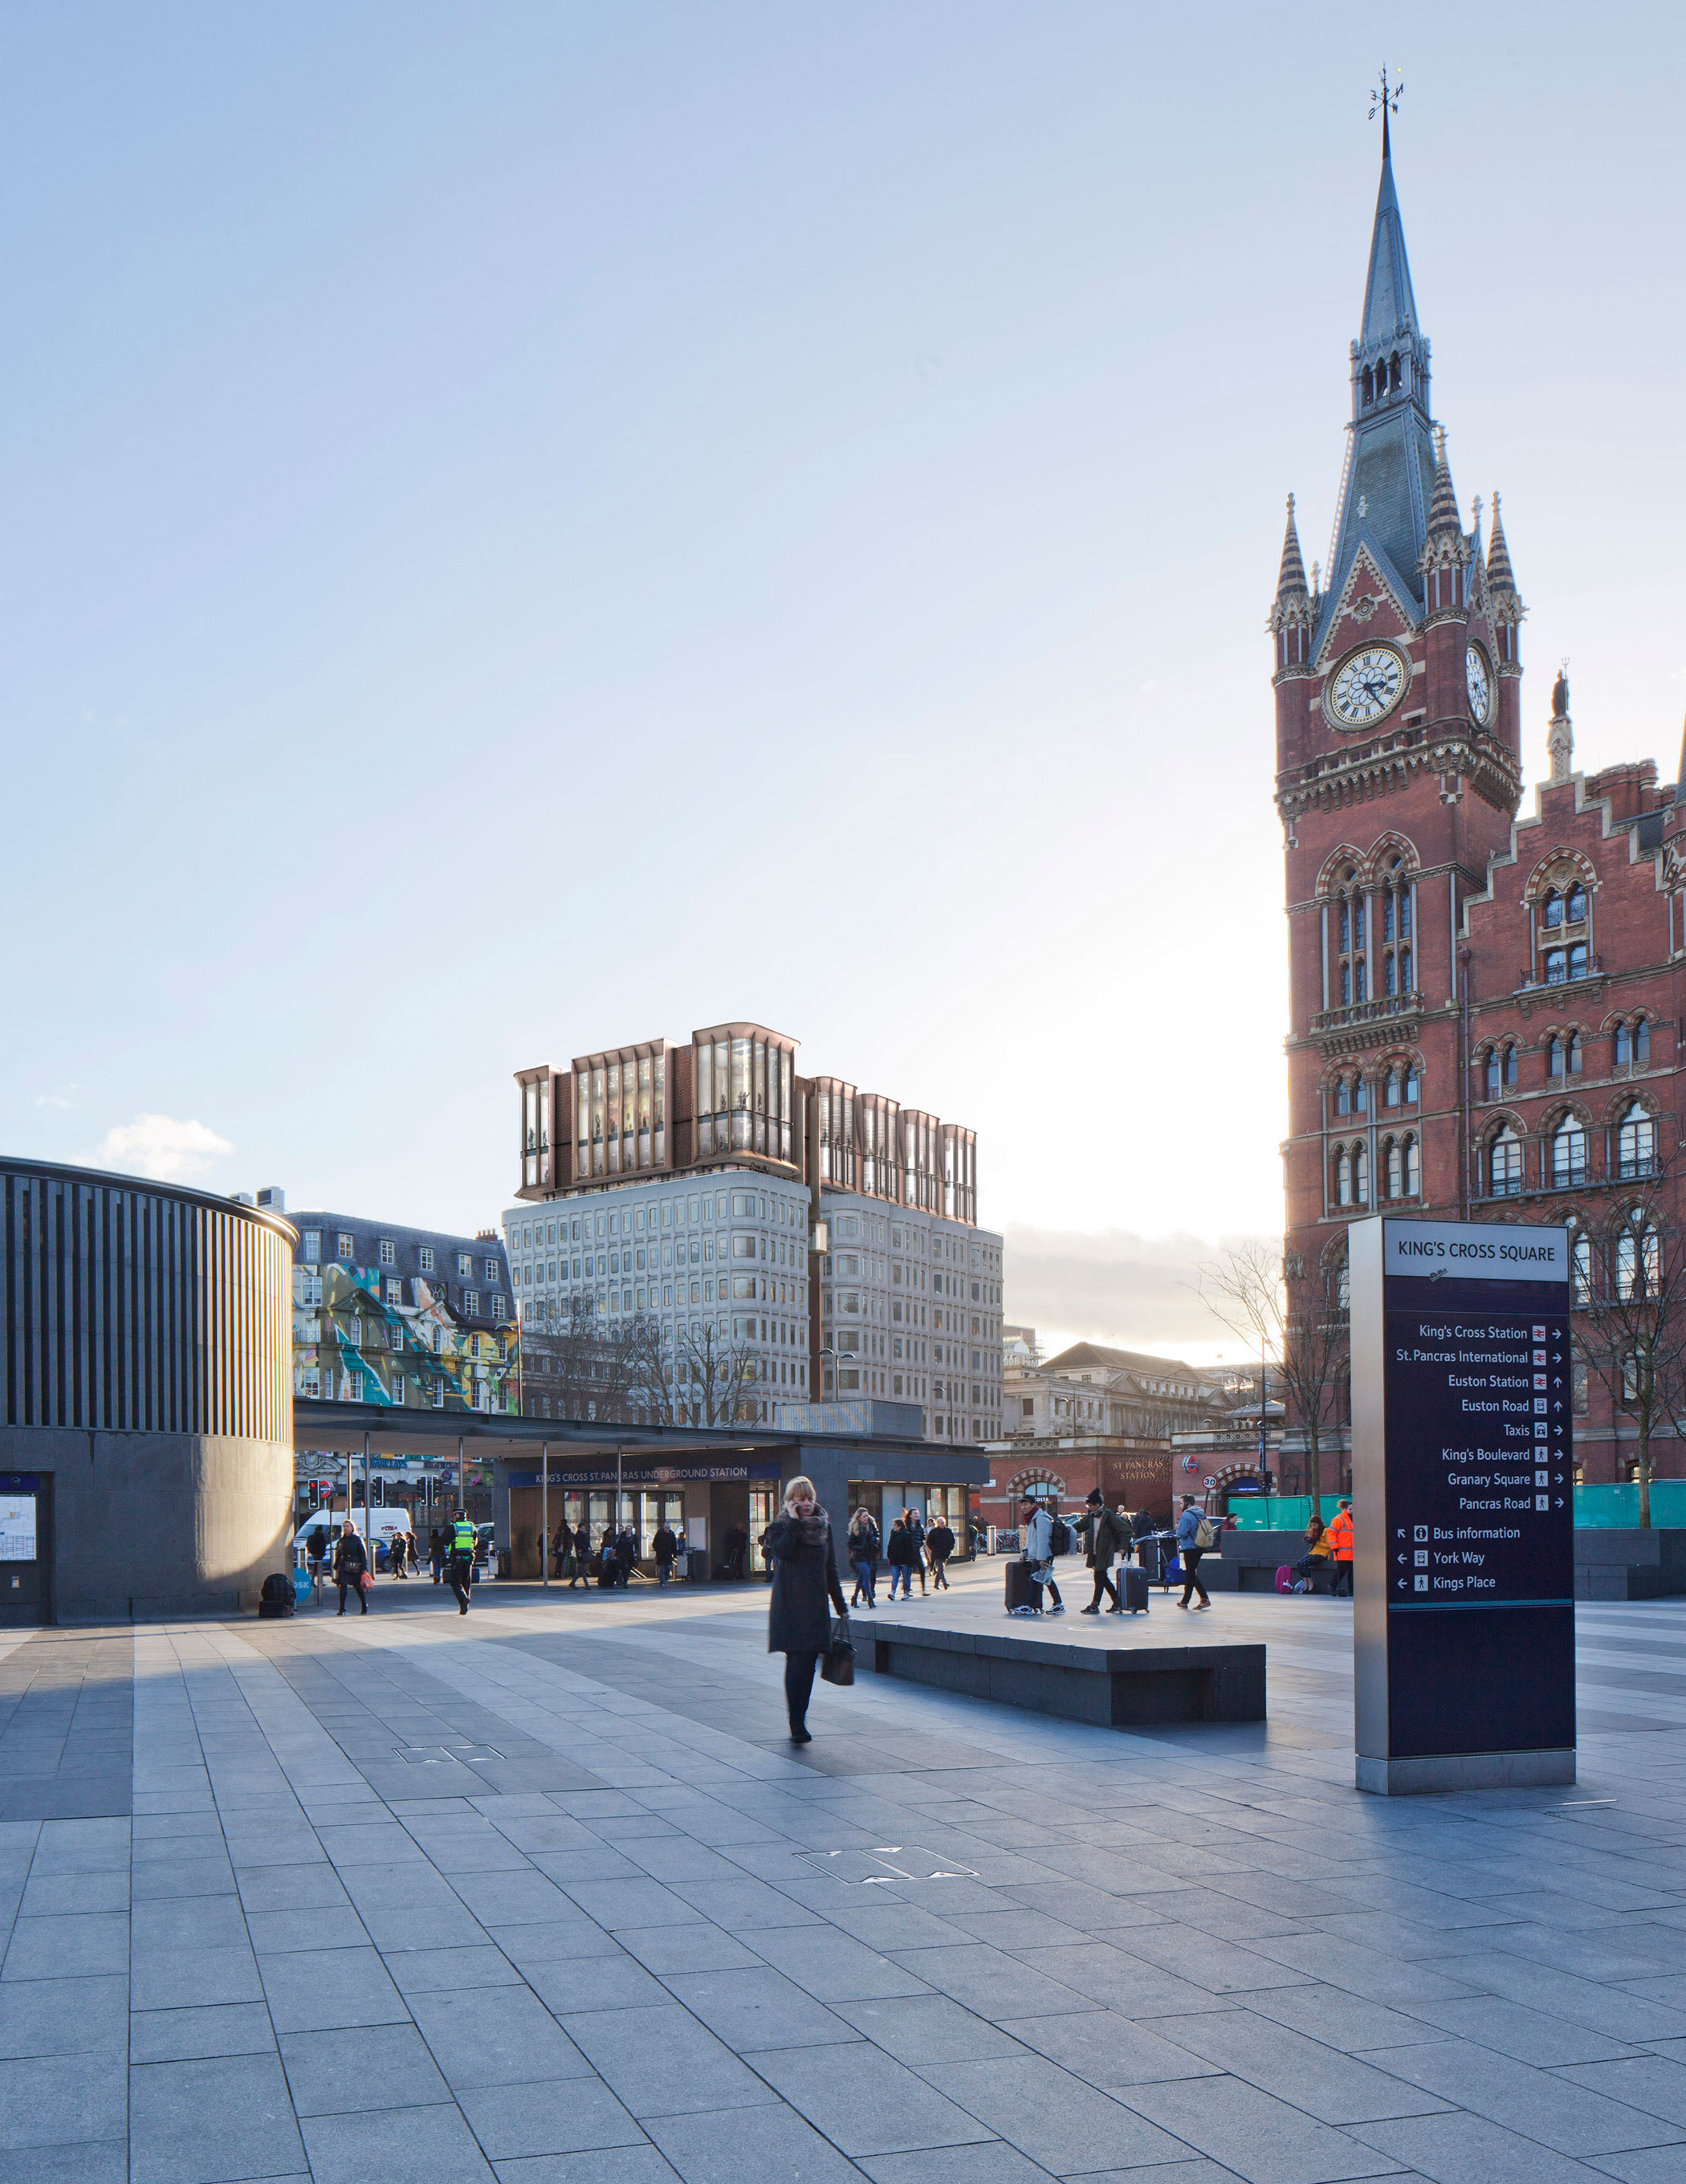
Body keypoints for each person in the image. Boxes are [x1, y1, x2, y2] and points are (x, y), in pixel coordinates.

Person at [763, 1475, 849, 1746]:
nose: (807, 1503)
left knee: (808, 1665)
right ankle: (796, 1723)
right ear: (790, 1502)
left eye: (809, 1497)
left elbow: (831, 1568)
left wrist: (841, 1606)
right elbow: (783, 1553)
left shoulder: (825, 1529)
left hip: (814, 1608)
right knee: (797, 1662)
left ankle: (800, 1716)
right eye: (800, 1498)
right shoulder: (779, 1528)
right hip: (789, 1607)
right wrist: (793, 1523)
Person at [1077, 1488, 1128, 1614]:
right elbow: (1080, 1526)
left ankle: (1095, 1605)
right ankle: (1117, 1602)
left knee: (1099, 1577)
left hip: (1104, 1551)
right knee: (1102, 1577)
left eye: (1090, 1505)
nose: (1088, 1507)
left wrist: (1123, 1547)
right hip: (1094, 1551)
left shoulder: (1108, 1515)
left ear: (1098, 1504)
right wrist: (1065, 1530)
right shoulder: (1091, 1516)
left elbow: (1125, 1530)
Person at [1015, 1494, 1064, 1616]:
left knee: (1034, 1580)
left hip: (1042, 1555)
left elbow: (1043, 1540)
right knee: (1046, 1579)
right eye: (1022, 1504)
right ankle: (1058, 1604)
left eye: (1026, 1504)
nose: (1024, 1507)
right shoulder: (1032, 1518)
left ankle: (1029, 1606)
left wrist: (1042, 1559)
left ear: (1033, 1505)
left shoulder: (1041, 1519)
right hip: (1038, 1555)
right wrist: (1025, 1552)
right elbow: (1031, 1539)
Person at [1175, 1494, 1211, 1611]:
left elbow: (1182, 1533)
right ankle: (1185, 1601)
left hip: (1190, 1547)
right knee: (1190, 1574)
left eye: (1181, 1503)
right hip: (1200, 1546)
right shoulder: (1200, 1513)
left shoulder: (1186, 1515)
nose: (1180, 1505)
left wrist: (1178, 1527)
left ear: (1187, 1503)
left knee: (1190, 1574)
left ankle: (1204, 1598)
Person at [332, 1520, 369, 1616]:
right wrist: (336, 1565)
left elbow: (363, 1554)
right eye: (344, 1526)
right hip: (344, 1566)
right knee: (343, 1586)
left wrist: (364, 1568)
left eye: (348, 1526)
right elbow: (339, 1554)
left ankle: (364, 1605)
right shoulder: (341, 1540)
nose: (345, 1528)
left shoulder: (357, 1539)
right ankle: (342, 1607)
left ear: (352, 1528)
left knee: (358, 1587)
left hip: (356, 1566)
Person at [846, 1506, 879, 1607]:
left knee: (862, 1577)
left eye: (867, 1516)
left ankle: (854, 1597)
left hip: (869, 1554)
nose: (866, 1518)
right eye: (864, 1516)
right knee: (866, 1574)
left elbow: (876, 1535)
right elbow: (850, 1544)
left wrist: (875, 1542)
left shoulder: (870, 1525)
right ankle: (870, 1599)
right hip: (859, 1556)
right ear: (859, 1517)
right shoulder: (856, 1527)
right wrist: (860, 1548)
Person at [446, 1510, 475, 1615]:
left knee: (455, 1582)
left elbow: (444, 1541)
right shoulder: (472, 1526)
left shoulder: (453, 1527)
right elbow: (475, 1541)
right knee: (466, 1582)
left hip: (457, 1557)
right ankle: (464, 1607)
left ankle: (464, 1599)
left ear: (457, 1515)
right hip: (469, 1556)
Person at [1326, 1498, 1354, 1598]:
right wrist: (1334, 1546)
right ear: (1345, 1509)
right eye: (1350, 1509)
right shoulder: (1339, 1519)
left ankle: (1351, 1590)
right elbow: (1331, 1533)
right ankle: (1332, 1586)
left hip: (1351, 1552)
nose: (1352, 1511)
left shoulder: (1353, 1519)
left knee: (1352, 1572)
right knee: (1341, 1571)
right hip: (1342, 1551)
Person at [885, 1512, 917, 1602]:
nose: (893, 1527)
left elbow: (910, 1549)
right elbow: (890, 1546)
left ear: (899, 1526)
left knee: (904, 1577)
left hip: (903, 1560)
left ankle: (905, 1593)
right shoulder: (894, 1534)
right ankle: (893, 1592)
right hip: (896, 1560)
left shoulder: (906, 1535)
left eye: (895, 1525)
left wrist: (911, 1560)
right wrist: (889, 1556)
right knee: (897, 1576)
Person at [926, 1514, 955, 1591]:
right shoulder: (934, 1532)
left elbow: (952, 1540)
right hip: (937, 1554)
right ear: (938, 1523)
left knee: (941, 1570)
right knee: (941, 1568)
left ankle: (936, 1584)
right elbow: (929, 1542)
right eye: (941, 1523)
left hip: (945, 1553)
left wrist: (951, 1547)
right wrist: (934, 1549)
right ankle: (945, 1583)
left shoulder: (948, 1531)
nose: (943, 1525)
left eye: (944, 1523)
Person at [907, 1508, 929, 1595]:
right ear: (910, 1515)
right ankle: (907, 1589)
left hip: (917, 1551)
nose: (916, 1515)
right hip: (908, 1552)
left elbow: (923, 1537)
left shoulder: (920, 1526)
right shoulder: (907, 1526)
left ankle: (923, 1589)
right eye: (915, 1514)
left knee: (922, 1569)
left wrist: (921, 1543)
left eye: (917, 1514)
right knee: (908, 1571)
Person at [653, 1518, 679, 1586]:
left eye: (668, 1528)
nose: (666, 1529)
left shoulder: (671, 1534)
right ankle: (662, 1581)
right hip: (661, 1554)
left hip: (668, 1555)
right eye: (665, 1528)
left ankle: (666, 1579)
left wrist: (675, 1554)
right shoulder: (660, 1533)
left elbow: (674, 1545)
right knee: (661, 1569)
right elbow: (655, 1543)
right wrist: (657, 1550)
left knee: (668, 1568)